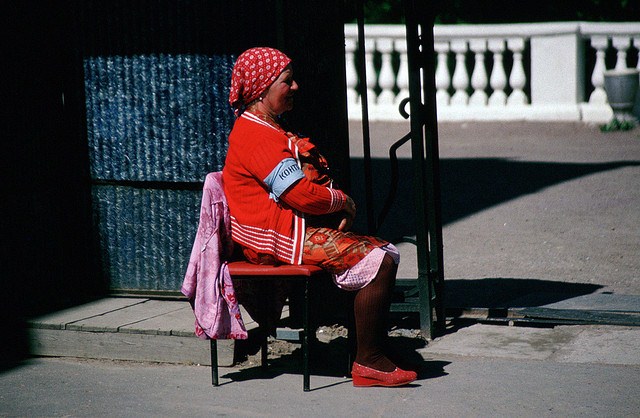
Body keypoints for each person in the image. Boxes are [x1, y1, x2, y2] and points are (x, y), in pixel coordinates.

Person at [222, 47, 417, 387]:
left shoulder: (266, 128)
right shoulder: (256, 135)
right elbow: (297, 193)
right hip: (275, 238)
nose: (295, 87)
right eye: (287, 81)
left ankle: (370, 352)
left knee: (384, 251)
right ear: (261, 89)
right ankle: (368, 361)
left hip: (287, 229)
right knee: (378, 260)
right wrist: (342, 202)